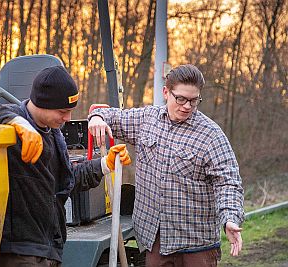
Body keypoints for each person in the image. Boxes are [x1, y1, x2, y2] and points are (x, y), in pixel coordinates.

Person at [0, 66, 131, 267]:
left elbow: (66, 181)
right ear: (42, 103)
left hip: (48, 249)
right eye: (63, 112)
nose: (68, 119)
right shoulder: (11, 124)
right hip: (20, 252)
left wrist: (104, 164)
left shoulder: (53, 133)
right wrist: (15, 121)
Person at [88, 64, 244, 267]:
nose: (187, 106)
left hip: (196, 245)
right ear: (166, 93)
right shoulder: (146, 120)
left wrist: (230, 218)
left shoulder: (211, 135)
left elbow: (228, 182)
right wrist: (98, 118)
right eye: (180, 98)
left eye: (193, 100)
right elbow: (110, 116)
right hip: (155, 242)